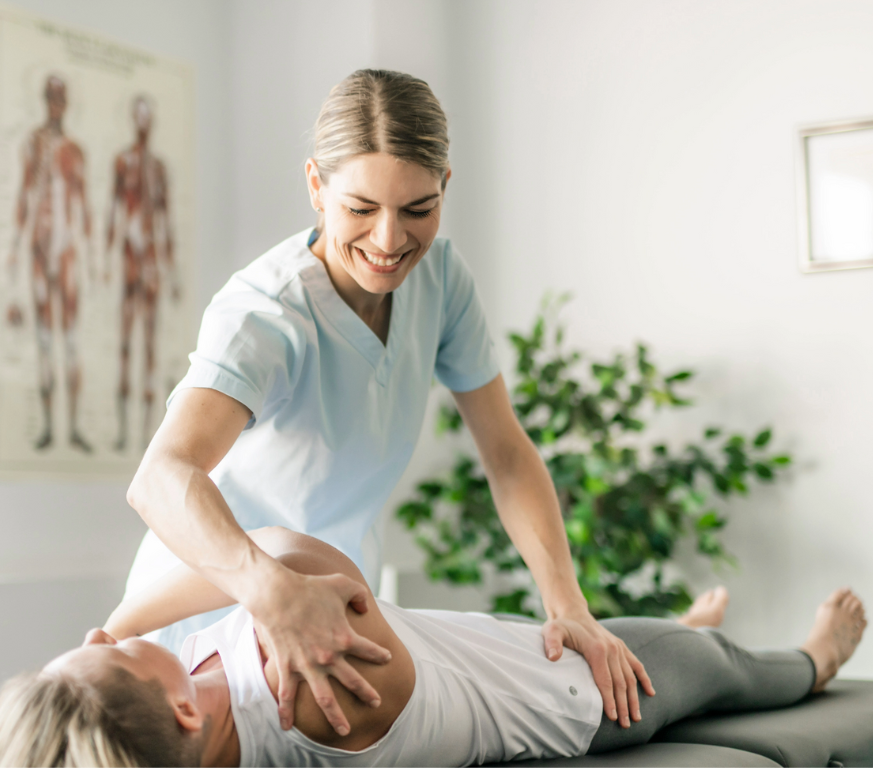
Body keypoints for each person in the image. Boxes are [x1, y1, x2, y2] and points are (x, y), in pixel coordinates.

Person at [123, 67, 652, 739]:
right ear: (316, 186)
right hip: (217, 622)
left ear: (445, 189)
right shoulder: (265, 314)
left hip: (336, 612)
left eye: (418, 210)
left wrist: (568, 605)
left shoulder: (442, 281)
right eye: (361, 209)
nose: (389, 240)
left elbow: (507, 453)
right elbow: (160, 479)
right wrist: (270, 592)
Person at [0, 528, 868, 767]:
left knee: (672, 635)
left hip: (491, 647)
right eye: (108, 650)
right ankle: (816, 656)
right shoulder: (317, 693)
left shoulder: (195, 725)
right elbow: (284, 550)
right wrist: (127, 618)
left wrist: (121, 647)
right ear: (179, 706)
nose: (106, 633)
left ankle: (680, 624)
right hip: (579, 695)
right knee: (721, 671)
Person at [11, 74, 93, 453]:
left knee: (72, 341)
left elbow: (84, 205)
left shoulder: (74, 151)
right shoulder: (34, 143)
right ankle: (47, 426)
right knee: (45, 341)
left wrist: (92, 259)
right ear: (46, 101)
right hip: (42, 249)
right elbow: (25, 196)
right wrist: (15, 249)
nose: (57, 105)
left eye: (62, 98)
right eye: (52, 98)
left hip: (67, 250)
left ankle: (73, 427)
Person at [106, 94, 178, 453]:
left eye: (149, 117)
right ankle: (122, 432)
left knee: (149, 345)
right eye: (140, 117)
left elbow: (166, 222)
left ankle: (148, 435)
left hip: (149, 263)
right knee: (124, 343)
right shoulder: (123, 162)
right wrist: (105, 261)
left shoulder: (159, 169)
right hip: (131, 261)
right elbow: (114, 211)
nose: (144, 123)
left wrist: (172, 271)